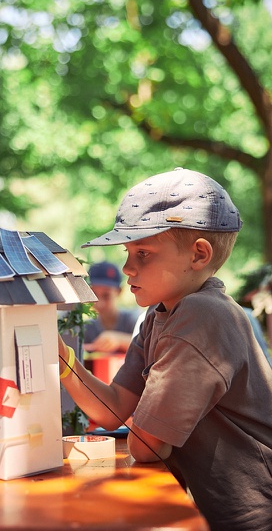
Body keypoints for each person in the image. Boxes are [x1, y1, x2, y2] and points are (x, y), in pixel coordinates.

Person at [59, 168, 272, 531]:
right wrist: (64, 361)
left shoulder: (201, 315)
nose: (127, 268)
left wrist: (147, 427)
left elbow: (146, 447)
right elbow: (112, 409)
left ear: (198, 255)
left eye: (143, 253)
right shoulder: (158, 316)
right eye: (128, 252)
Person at [84, 261, 140, 353]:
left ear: (119, 291)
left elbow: (149, 344)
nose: (100, 303)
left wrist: (119, 340)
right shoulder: (88, 328)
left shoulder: (134, 319)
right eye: (94, 295)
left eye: (106, 295)